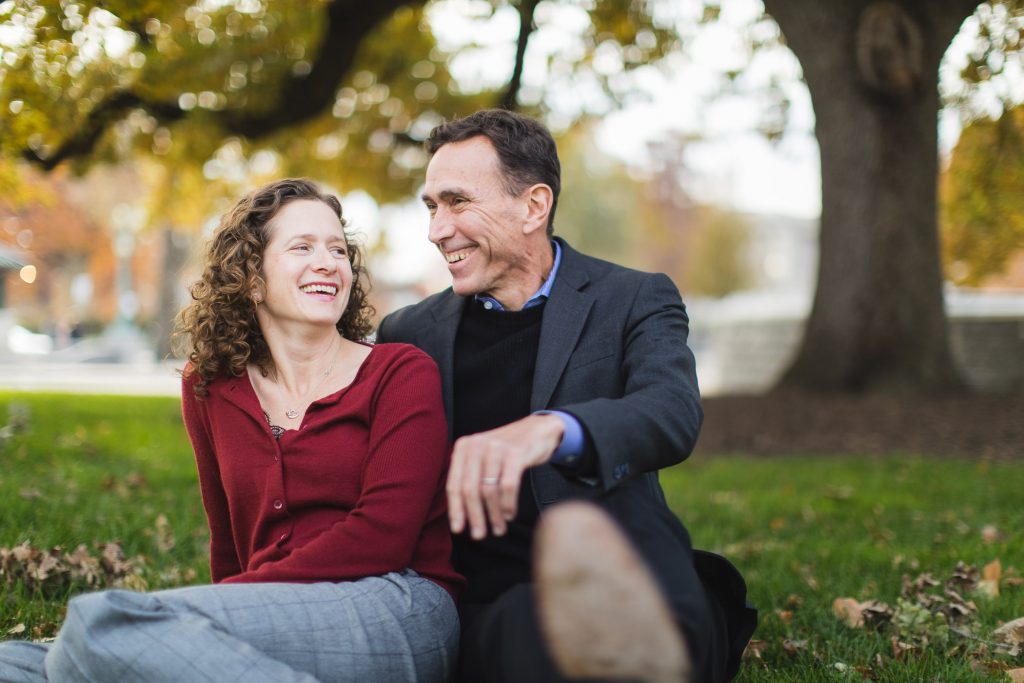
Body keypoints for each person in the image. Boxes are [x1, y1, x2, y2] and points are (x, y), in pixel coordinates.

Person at [0, 179, 462, 683]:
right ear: (252, 278)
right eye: (302, 247)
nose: (329, 262)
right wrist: (218, 622)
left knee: (95, 628)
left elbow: (383, 538)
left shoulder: (399, 371)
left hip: (395, 603)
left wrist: (225, 604)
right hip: (267, 611)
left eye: (338, 249)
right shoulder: (211, 387)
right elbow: (227, 541)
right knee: (15, 662)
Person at [377, 109, 757, 683]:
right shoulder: (408, 332)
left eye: (457, 202)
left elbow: (671, 412)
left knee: (625, 525)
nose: (437, 230)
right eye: (432, 207)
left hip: (634, 570)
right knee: (524, 627)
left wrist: (554, 428)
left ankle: (643, 640)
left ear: (534, 206)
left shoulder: (634, 298)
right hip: (493, 596)